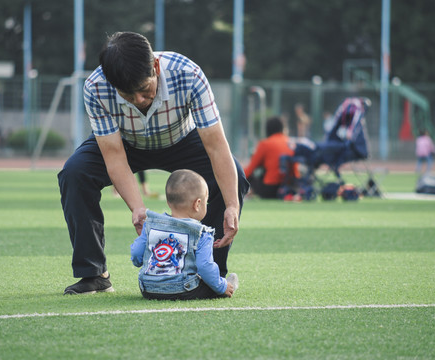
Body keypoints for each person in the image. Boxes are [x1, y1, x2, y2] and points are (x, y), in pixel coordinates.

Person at [58, 31, 249, 295]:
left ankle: (209, 274)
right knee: (75, 173)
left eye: (144, 90)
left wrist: (231, 205)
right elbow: (113, 154)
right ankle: (94, 274)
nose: (138, 100)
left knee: (233, 174)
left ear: (156, 67)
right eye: (128, 94)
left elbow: (216, 147)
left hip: (181, 138)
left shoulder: (188, 74)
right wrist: (138, 209)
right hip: (125, 142)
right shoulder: (96, 86)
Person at [131, 169, 238, 300]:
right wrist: (221, 287)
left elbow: (136, 253)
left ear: (168, 201)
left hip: (148, 288)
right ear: (197, 204)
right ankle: (226, 284)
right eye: (206, 202)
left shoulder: (150, 224)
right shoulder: (201, 233)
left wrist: (140, 263)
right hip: (182, 288)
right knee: (210, 284)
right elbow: (205, 267)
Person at [243, 116, 298, 199]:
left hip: (270, 189)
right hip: (289, 187)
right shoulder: (291, 142)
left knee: (249, 176)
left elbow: (250, 169)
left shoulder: (265, 144)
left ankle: (246, 193)